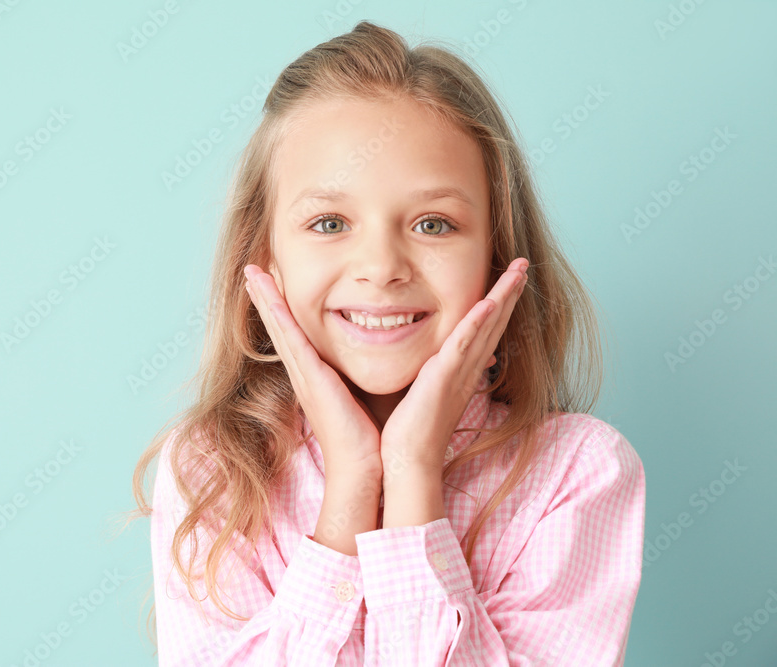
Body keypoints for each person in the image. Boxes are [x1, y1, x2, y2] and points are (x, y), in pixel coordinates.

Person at [130, 20, 645, 666]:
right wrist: (353, 481)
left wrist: (412, 475)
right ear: (265, 256)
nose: (381, 266)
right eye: (329, 222)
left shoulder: (577, 474)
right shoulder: (215, 468)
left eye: (434, 223)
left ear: (496, 255)